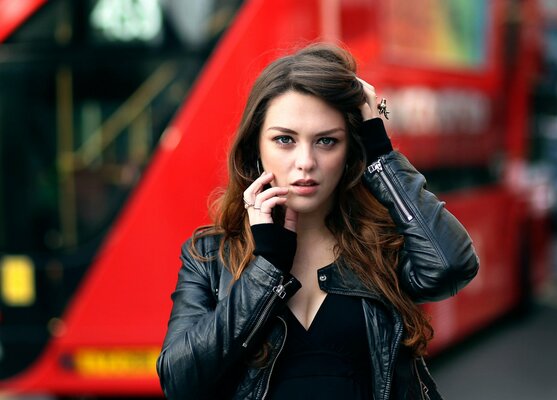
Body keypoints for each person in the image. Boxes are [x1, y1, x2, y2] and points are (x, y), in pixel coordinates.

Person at [156, 43, 479, 400]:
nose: (306, 161)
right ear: (256, 149)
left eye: (326, 141)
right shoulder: (209, 256)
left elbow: (451, 266)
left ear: (351, 149)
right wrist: (267, 268)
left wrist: (381, 158)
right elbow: (180, 382)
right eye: (284, 140)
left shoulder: (382, 246)